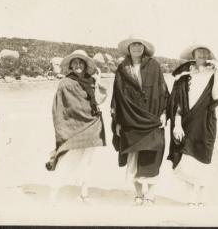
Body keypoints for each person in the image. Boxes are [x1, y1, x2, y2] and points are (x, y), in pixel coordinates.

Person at [111, 35, 169, 206]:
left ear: (144, 48)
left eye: (139, 45)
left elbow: (163, 91)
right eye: (133, 45)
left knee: (153, 154)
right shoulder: (122, 68)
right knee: (133, 156)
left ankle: (150, 193)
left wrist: (164, 112)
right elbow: (117, 97)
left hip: (152, 117)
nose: (136, 47)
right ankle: (138, 194)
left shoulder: (154, 65)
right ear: (128, 48)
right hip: (129, 118)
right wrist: (118, 121)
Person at [46, 49, 107, 203]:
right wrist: (62, 129)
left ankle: (84, 194)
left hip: (93, 127)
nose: (78, 65)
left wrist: (98, 81)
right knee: (67, 161)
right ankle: (53, 195)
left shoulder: (91, 81)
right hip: (74, 128)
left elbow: (99, 101)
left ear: (86, 65)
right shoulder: (65, 83)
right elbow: (60, 109)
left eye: (81, 62)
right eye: (75, 63)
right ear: (71, 66)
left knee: (88, 162)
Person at [167, 46, 218, 206]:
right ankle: (190, 197)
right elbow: (177, 103)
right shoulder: (185, 74)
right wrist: (177, 125)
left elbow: (216, 97)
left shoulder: (213, 73)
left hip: (206, 122)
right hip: (187, 122)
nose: (202, 54)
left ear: (209, 55)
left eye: (206, 51)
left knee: (204, 158)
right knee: (186, 160)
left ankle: (202, 196)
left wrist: (217, 73)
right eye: (199, 51)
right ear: (193, 54)